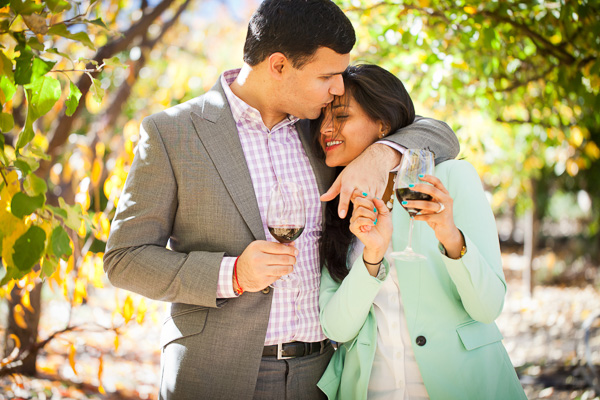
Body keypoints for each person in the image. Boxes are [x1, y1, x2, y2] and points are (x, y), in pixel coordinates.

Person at [103, 1, 460, 399]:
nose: (338, 89)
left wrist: (381, 154)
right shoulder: (173, 134)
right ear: (278, 66)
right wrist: (233, 274)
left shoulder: (321, 127)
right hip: (217, 373)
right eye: (328, 75)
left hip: (320, 374)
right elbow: (124, 259)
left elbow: (439, 134)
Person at [314, 64, 527, 399]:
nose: (326, 129)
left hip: (468, 384)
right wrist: (371, 259)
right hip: (373, 390)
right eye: (321, 119)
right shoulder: (333, 204)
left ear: (383, 124)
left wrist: (451, 238)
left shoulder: (452, 178)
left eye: (341, 116)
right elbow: (337, 327)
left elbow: (488, 309)